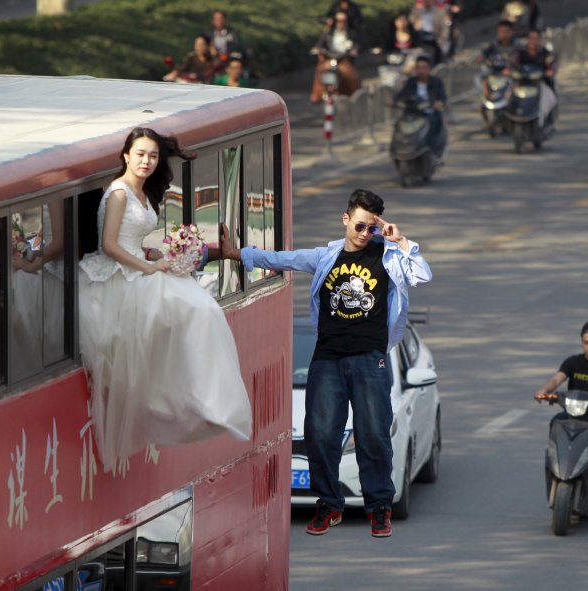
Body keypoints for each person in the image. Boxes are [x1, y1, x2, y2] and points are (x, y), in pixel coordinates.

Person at [220, 189, 432, 538]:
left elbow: (421, 275)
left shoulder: (389, 255)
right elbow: (282, 258)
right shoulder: (325, 256)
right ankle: (329, 504)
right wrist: (234, 253)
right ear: (346, 219)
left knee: (373, 435)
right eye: (361, 226)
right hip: (328, 358)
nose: (366, 235)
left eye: (372, 229)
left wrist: (402, 240)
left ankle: (379, 508)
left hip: (370, 358)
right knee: (320, 435)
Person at [78, 127, 252, 475]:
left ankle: (206, 401)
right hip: (117, 275)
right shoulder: (118, 193)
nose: (147, 161)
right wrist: (148, 266)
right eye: (140, 154)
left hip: (139, 264)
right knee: (191, 309)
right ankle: (190, 402)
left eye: (153, 156)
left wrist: (156, 252)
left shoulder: (141, 193)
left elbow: (130, 240)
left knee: (201, 309)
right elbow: (110, 245)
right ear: (126, 155)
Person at [534, 321, 588, 493]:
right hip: (572, 415)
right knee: (556, 421)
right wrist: (543, 391)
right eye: (585, 342)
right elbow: (557, 379)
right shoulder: (573, 362)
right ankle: (557, 467)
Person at [395, 54, 447, 161]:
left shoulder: (436, 82)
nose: (421, 71)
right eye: (419, 68)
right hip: (413, 113)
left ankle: (432, 151)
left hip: (429, 113)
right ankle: (399, 149)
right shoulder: (411, 82)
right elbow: (402, 95)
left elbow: (442, 97)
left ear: (429, 68)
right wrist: (394, 101)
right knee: (400, 125)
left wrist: (438, 103)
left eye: (424, 68)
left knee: (433, 122)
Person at [508, 28, 557, 125]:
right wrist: (509, 70)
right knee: (507, 95)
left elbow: (552, 64)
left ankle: (547, 118)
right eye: (531, 38)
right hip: (522, 82)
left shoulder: (545, 53)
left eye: (536, 38)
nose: (533, 41)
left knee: (549, 97)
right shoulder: (520, 52)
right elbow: (512, 64)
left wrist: (550, 71)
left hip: (540, 83)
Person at [310, 9, 361, 102]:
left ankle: (354, 95)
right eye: (338, 21)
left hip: (344, 59)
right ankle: (317, 94)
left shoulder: (351, 33)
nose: (341, 23)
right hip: (330, 58)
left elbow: (356, 45)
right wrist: (317, 49)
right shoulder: (329, 32)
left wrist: (353, 50)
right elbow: (320, 44)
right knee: (321, 70)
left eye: (343, 21)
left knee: (349, 73)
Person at [478, 19, 516, 98]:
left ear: (512, 32)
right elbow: (484, 55)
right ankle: (486, 98)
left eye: (505, 31)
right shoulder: (493, 46)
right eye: (500, 31)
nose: (502, 33)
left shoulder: (517, 46)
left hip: (511, 75)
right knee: (479, 77)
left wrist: (511, 69)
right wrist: (481, 58)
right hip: (495, 73)